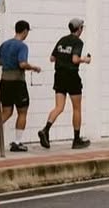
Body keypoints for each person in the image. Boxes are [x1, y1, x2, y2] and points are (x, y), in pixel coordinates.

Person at [39, 16, 92, 150]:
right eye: (82, 28)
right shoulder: (78, 42)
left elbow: (52, 58)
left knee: (59, 107)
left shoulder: (62, 40)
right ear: (79, 29)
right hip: (71, 76)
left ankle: (45, 129)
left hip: (59, 76)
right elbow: (75, 59)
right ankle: (76, 139)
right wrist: (85, 60)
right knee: (76, 108)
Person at [0, 20, 42, 152]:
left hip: (4, 80)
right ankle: (17, 142)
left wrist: (6, 63)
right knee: (22, 111)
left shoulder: (5, 44)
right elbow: (22, 64)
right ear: (25, 31)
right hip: (17, 81)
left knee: (6, 111)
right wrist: (33, 67)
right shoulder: (22, 46)